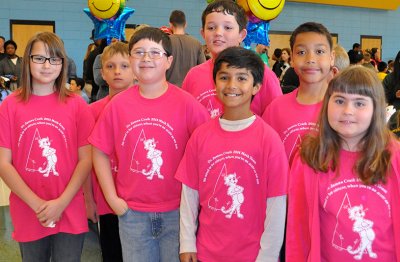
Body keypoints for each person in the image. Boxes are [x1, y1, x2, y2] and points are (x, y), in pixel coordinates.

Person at [89, 27, 209, 262]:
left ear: (169, 61)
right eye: (139, 52)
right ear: (131, 58)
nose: (146, 58)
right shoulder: (118, 105)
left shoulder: (187, 104)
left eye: (155, 53)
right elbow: (99, 151)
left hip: (177, 212)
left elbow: (207, 148)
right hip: (132, 214)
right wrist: (112, 199)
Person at [176, 46, 288, 262]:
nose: (232, 85)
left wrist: (268, 256)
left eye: (242, 78)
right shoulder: (200, 136)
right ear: (215, 82)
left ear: (256, 86)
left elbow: (276, 205)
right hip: (207, 251)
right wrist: (187, 242)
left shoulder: (269, 140)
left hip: (253, 254)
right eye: (224, 77)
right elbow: (189, 194)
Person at [286, 66, 400, 261]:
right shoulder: (309, 159)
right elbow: (298, 231)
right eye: (339, 101)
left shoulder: (395, 158)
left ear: (376, 109)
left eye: (359, 103)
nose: (347, 111)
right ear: (326, 104)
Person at [0, 32, 94, 261]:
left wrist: (61, 203)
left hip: (69, 205)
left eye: (54, 59)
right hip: (27, 208)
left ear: (63, 63)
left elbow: (86, 160)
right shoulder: (10, 105)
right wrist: (38, 205)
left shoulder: (77, 105)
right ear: (28, 61)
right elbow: (3, 162)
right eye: (39, 58)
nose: (47, 65)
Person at [182, 0, 282, 118]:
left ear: (241, 35)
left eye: (228, 27)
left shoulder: (262, 74)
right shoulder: (193, 76)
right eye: (211, 27)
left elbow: (277, 119)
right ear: (203, 33)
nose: (218, 33)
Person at [84, 41, 135, 262]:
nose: (117, 72)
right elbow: (86, 160)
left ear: (135, 69)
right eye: (111, 66)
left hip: (138, 201)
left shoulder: (144, 108)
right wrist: (89, 200)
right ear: (102, 73)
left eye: (124, 66)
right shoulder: (92, 111)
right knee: (112, 253)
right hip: (105, 200)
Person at [262, 22, 335, 163]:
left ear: (331, 58)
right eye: (301, 52)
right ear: (292, 59)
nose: (310, 60)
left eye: (319, 51)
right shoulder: (275, 109)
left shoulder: (343, 108)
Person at [166, 10, 206, 87]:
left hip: (169, 90)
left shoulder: (165, 42)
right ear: (186, 24)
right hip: (190, 90)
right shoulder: (196, 43)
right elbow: (203, 69)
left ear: (170, 25)